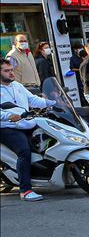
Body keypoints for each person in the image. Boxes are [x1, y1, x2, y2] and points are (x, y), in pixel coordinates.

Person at [1, 58, 55, 200]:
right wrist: (8, 116)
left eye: (11, 70)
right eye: (7, 71)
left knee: (51, 141)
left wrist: (54, 102)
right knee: (24, 152)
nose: (11, 73)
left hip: (26, 123)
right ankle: (25, 190)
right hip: (7, 128)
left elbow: (33, 100)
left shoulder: (17, 85)